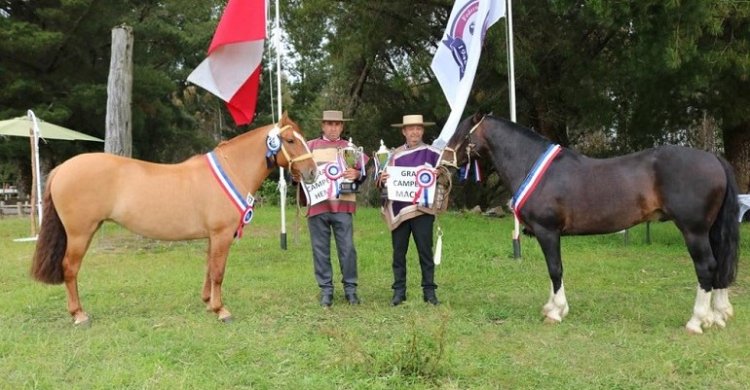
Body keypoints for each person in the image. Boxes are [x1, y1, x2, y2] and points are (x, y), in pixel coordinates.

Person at [298, 110, 368, 308]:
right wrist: (295, 178)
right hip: (318, 205)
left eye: (337, 124)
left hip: (343, 204)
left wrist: (357, 173)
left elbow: (363, 173)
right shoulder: (309, 147)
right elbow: (297, 174)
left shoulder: (351, 148)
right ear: (322, 125)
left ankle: (350, 289)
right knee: (320, 249)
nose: (333, 128)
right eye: (329, 124)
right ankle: (326, 290)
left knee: (347, 249)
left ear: (342, 127)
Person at [377, 114, 443, 306]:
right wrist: (382, 179)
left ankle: (429, 292)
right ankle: (399, 291)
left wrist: (440, 173)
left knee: (425, 252)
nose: (415, 132)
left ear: (422, 131)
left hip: (422, 210)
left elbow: (447, 174)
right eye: (411, 129)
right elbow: (381, 182)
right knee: (399, 253)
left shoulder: (433, 154)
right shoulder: (392, 155)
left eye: (418, 128)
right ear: (404, 131)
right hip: (399, 209)